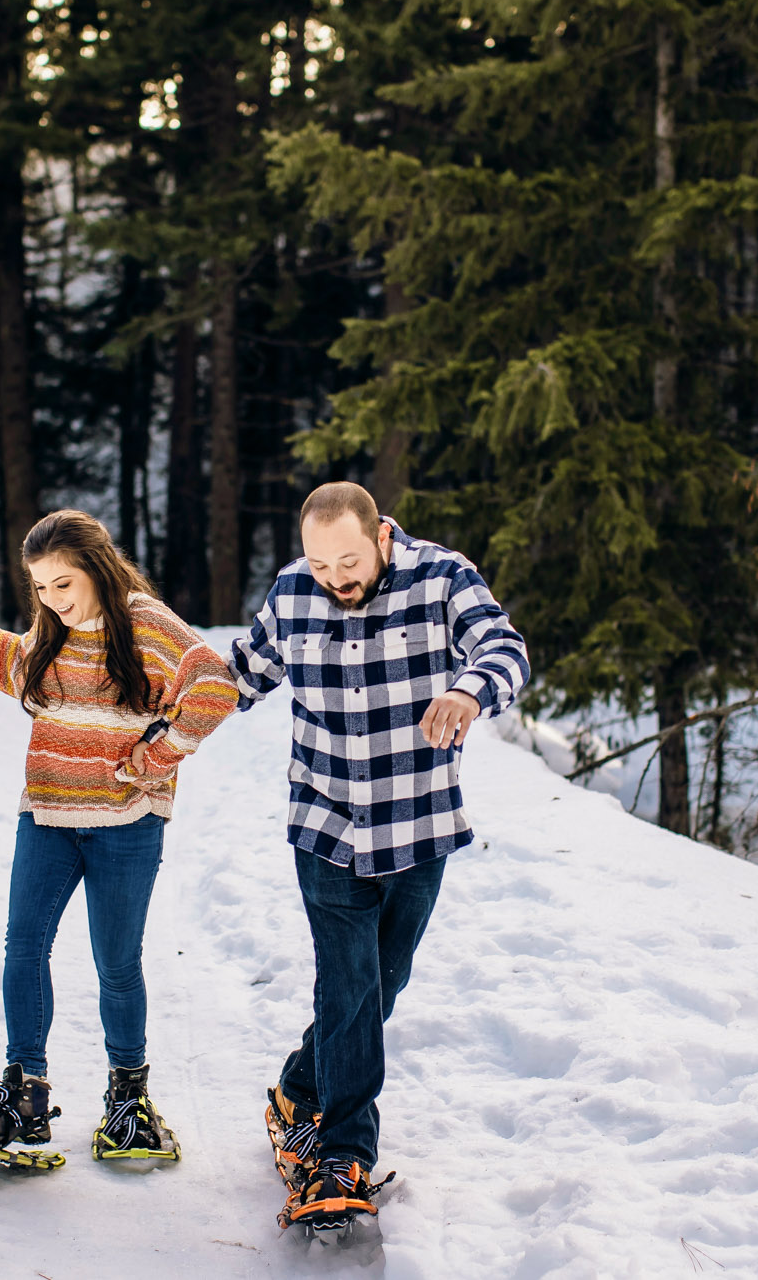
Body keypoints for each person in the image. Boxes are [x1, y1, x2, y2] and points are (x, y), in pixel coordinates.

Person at [0, 509, 239, 1167]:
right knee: (24, 946)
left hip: (126, 828)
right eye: (40, 587)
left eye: (63, 584)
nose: (51, 599)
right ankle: (25, 1088)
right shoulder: (48, 635)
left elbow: (214, 684)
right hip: (47, 815)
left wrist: (155, 759)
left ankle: (127, 1097)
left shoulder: (145, 623)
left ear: (99, 570)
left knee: (115, 963)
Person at [226, 482, 530, 1230]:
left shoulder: (441, 576)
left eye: (349, 559)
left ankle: (299, 1087)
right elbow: (236, 677)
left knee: (378, 986)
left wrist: (468, 691)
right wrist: (148, 708)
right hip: (325, 823)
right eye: (321, 562)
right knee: (351, 981)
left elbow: (505, 647)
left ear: (382, 535)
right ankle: (341, 1156)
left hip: (417, 827)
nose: (336, 576)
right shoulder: (295, 591)